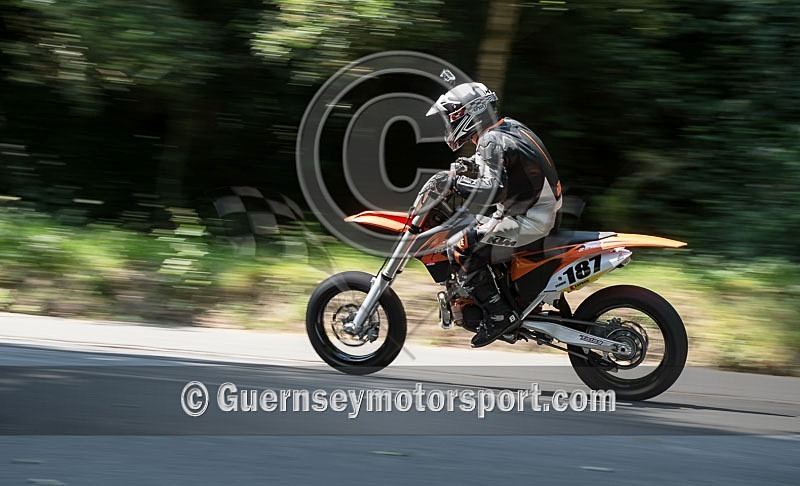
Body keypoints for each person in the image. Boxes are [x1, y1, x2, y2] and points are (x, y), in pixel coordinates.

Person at [426, 82, 562, 348]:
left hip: (530, 220)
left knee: (461, 247)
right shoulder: (507, 127)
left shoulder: (490, 140)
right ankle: (503, 300)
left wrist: (453, 184)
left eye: (451, 117)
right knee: (470, 228)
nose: (447, 125)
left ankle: (500, 315)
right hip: (535, 212)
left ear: (469, 113)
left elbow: (493, 190)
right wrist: (469, 170)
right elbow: (506, 170)